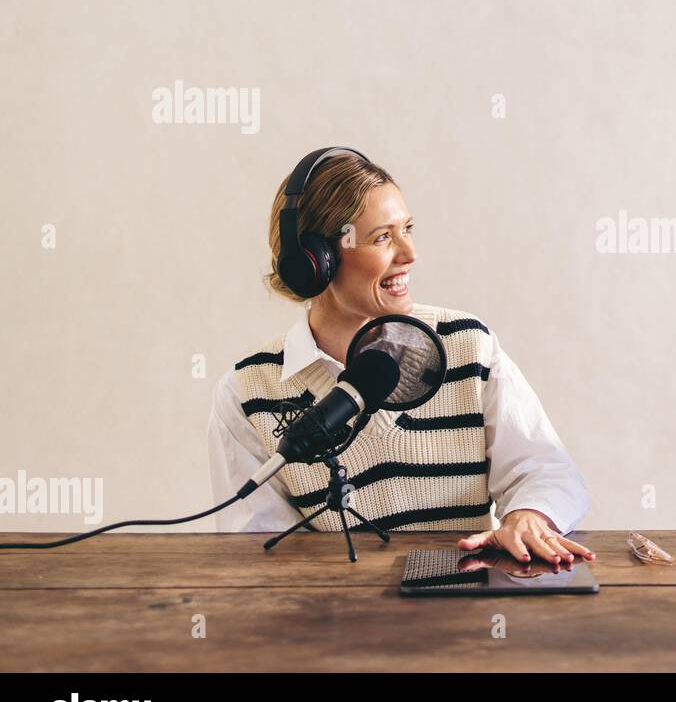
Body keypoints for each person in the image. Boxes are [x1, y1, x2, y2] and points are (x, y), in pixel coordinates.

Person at [207, 147, 594, 566]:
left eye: (408, 228)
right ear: (314, 263)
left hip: (463, 616)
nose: (409, 254)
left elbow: (545, 468)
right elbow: (261, 553)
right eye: (383, 237)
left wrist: (527, 516)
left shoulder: (466, 343)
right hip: (332, 619)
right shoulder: (246, 393)